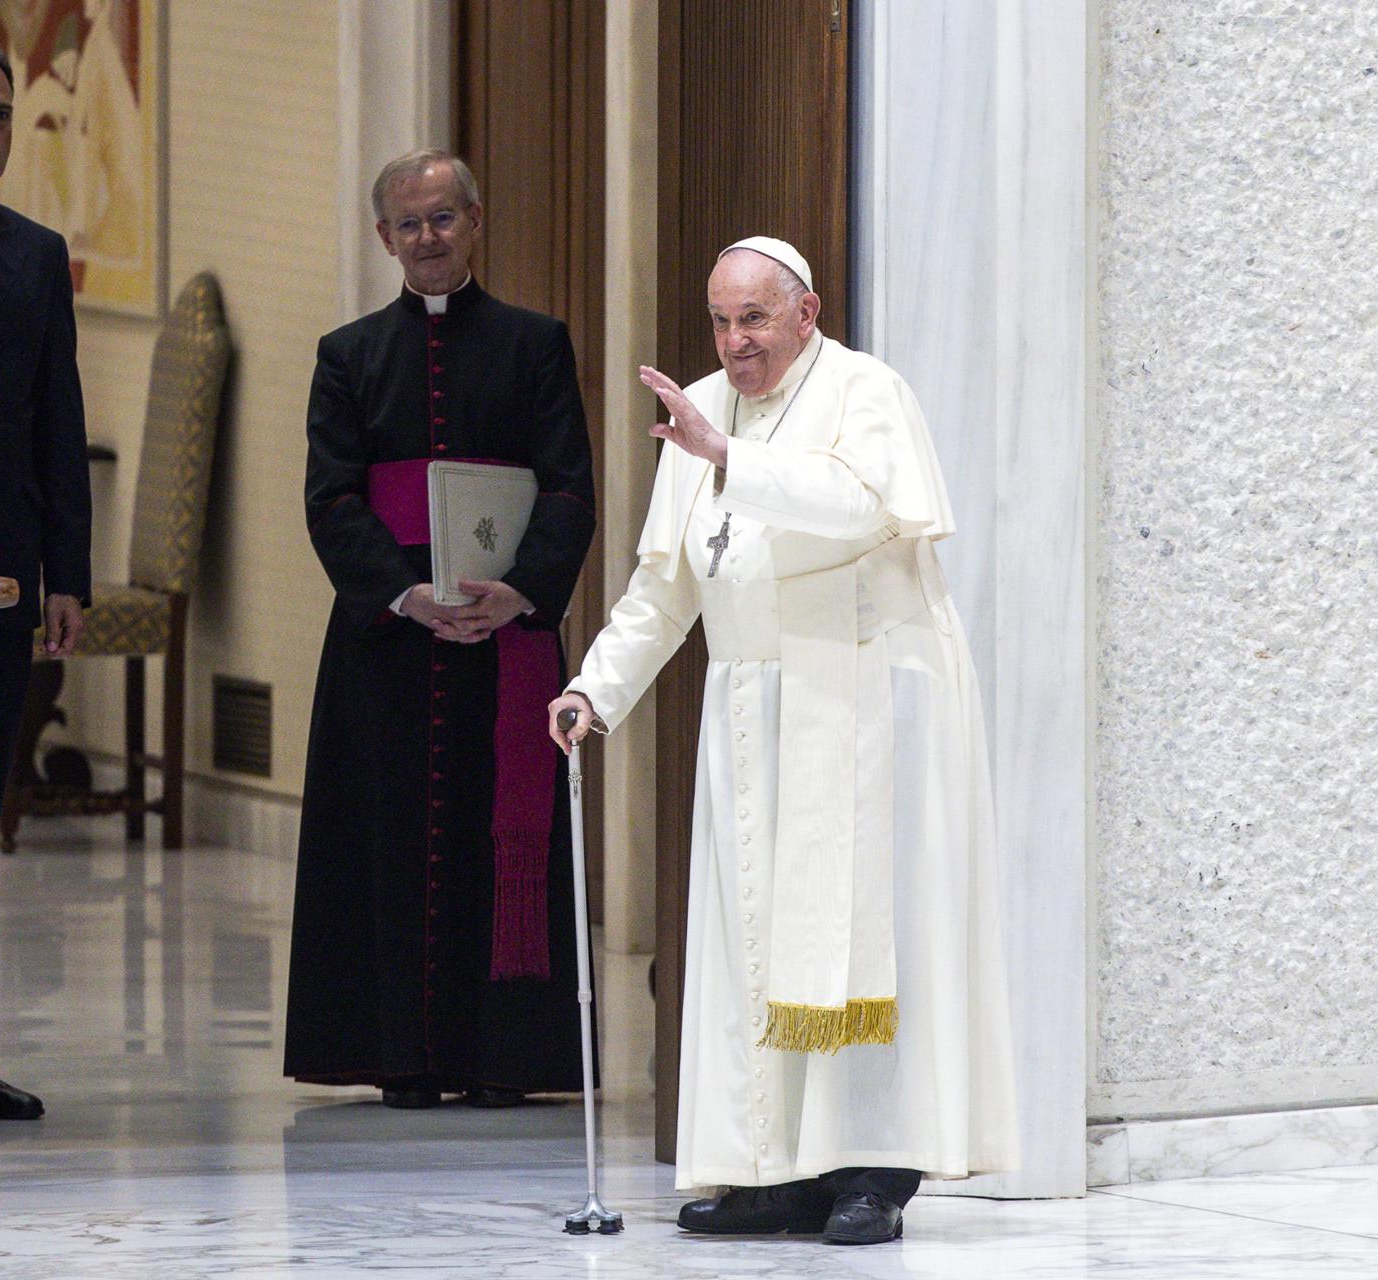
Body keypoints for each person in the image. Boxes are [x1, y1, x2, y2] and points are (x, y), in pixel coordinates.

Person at [549, 238, 1018, 1244]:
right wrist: (595, 686)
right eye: (721, 320)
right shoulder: (706, 409)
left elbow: (859, 506)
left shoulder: (866, 391)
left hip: (861, 706)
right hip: (751, 710)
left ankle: (871, 1170)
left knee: (858, 943)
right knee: (754, 946)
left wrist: (731, 460)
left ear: (805, 313)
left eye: (754, 318)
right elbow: (666, 584)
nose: (735, 340)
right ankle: (774, 1170)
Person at [284, 150, 597, 1109]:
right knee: (386, 843)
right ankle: (402, 1056)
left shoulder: (535, 343)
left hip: (501, 642)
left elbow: (570, 486)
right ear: (384, 238)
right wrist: (405, 595)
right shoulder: (347, 356)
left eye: (443, 219)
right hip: (387, 644)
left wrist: (521, 592)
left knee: (491, 842)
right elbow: (331, 499)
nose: (427, 238)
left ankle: (499, 1055)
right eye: (408, 224)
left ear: (475, 219)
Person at [0, 42, 92, 1121]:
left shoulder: (33, 253)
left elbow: (60, 424)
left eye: (6, 115)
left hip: (9, 578)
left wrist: (71, 575)